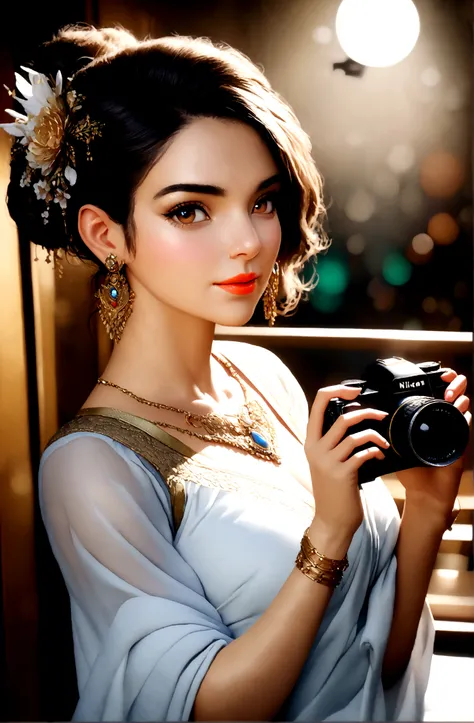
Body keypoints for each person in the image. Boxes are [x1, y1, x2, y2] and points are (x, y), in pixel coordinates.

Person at [1, 24, 470, 723]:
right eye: (191, 209)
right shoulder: (91, 467)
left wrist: (430, 506)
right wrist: (329, 534)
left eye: (263, 199)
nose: (248, 239)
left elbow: (376, 663)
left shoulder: (264, 376)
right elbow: (210, 708)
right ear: (107, 234)